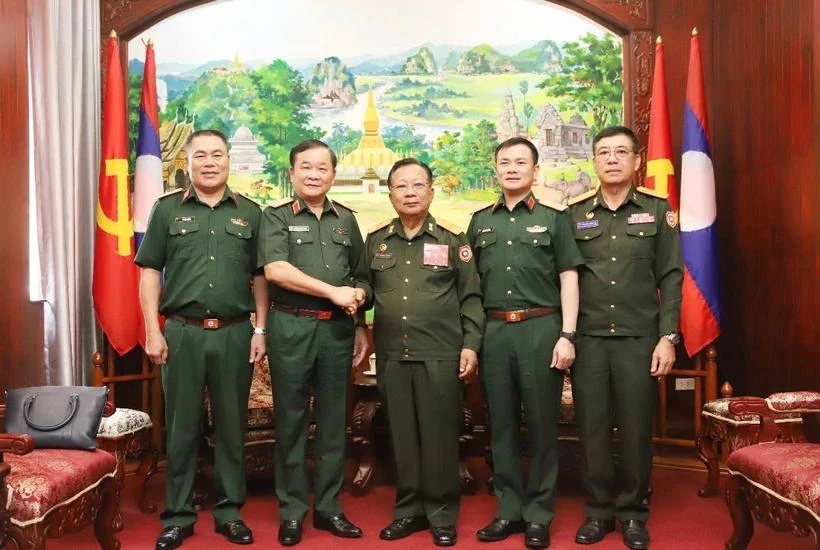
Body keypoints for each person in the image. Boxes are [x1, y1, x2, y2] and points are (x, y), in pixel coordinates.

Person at [136, 129, 268, 549]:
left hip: (234, 334)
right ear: (188, 162)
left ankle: (230, 512)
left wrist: (260, 328)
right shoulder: (167, 210)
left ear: (228, 160)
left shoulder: (250, 213)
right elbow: (149, 272)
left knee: (232, 427)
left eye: (217, 155)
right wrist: (153, 330)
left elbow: (260, 275)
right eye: (201, 156)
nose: (209, 162)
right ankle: (178, 515)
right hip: (182, 334)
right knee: (181, 428)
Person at [568, 125, 682, 550]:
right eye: (603, 152)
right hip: (589, 340)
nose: (612, 159)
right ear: (594, 161)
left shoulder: (657, 210)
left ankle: (633, 512)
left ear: (637, 161)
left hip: (639, 339)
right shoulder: (574, 214)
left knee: (635, 429)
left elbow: (671, 277)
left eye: (621, 152)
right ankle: (598, 511)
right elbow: (565, 280)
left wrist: (667, 336)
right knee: (592, 428)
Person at [468, 137, 584, 549]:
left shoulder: (555, 219)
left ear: (536, 171)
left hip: (541, 329)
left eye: (521, 162)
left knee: (540, 426)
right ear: (495, 170)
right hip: (495, 332)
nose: (512, 168)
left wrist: (567, 335)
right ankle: (508, 510)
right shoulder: (479, 221)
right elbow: (471, 287)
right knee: (499, 426)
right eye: (505, 162)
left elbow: (569, 277)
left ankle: (538, 514)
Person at [365, 158, 485, 547]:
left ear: (432, 192)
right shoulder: (376, 241)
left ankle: (442, 513)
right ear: (390, 194)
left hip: (440, 352)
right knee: (401, 435)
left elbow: (471, 297)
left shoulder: (452, 241)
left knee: (439, 436)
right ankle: (408, 511)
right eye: (401, 186)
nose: (410, 193)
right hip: (392, 353)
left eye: (418, 185)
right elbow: (362, 289)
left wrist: (470, 345)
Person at [257, 140, 370, 546]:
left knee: (333, 422)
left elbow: (361, 276)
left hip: (338, 332)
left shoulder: (346, 221)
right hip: (292, 327)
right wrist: (333, 292)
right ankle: (291, 511)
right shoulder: (276, 217)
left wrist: (358, 318)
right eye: (305, 167)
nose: (313, 174)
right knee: (290, 421)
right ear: (292, 173)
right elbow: (276, 271)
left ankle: (328, 508)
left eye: (322, 168)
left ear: (333, 175)